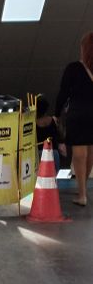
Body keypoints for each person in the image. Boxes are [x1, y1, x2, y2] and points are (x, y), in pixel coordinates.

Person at [55, 31, 93, 206]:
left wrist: (57, 113)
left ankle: (82, 194)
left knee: (79, 153)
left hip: (78, 114)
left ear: (84, 49)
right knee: (90, 152)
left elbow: (63, 93)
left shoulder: (73, 68)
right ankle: (83, 189)